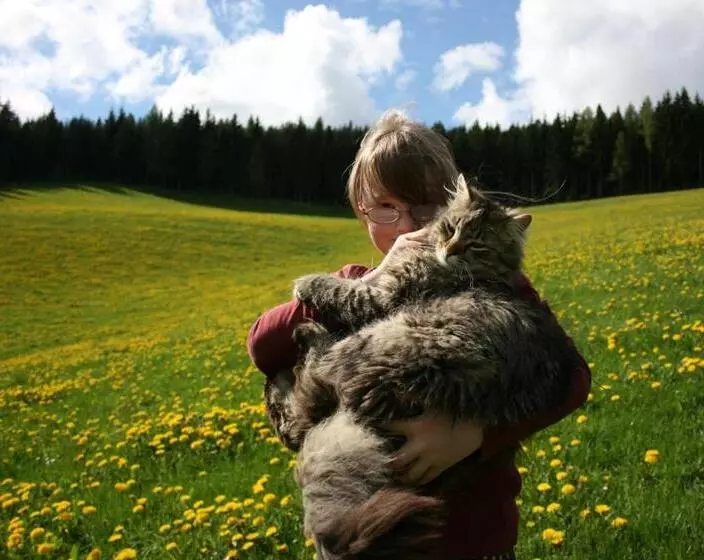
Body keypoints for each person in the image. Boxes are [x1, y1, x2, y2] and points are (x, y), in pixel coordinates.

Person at [246, 109, 591, 560]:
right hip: (360, 528)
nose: (408, 225)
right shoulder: (352, 280)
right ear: (361, 211)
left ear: (452, 204)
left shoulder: (493, 281)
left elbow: (572, 378)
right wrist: (373, 282)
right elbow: (262, 343)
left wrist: (474, 436)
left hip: (471, 536)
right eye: (387, 207)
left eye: (426, 206)